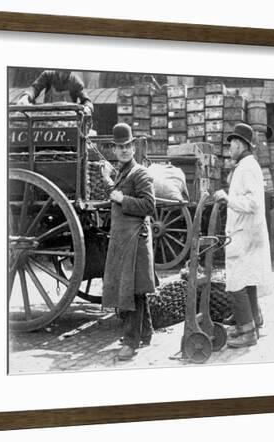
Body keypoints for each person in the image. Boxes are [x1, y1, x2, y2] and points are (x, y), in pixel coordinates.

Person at [101, 123, 156, 361]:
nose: (124, 150)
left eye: (127, 146)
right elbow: (115, 193)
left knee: (132, 291)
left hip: (135, 241)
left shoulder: (140, 173)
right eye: (119, 147)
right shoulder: (123, 172)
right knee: (137, 289)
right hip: (125, 241)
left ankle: (131, 342)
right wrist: (107, 180)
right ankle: (146, 333)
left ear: (134, 147)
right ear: (114, 150)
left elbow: (149, 205)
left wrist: (124, 198)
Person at [213, 123, 272, 348]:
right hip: (247, 233)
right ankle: (253, 321)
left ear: (240, 144)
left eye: (232, 144)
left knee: (237, 281)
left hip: (245, 235)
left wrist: (228, 199)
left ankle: (248, 333)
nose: (230, 148)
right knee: (249, 279)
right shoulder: (246, 166)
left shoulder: (247, 168)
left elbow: (254, 203)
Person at [16, 69, 94, 114]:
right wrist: (26, 96)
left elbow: (87, 101)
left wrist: (87, 108)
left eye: (66, 73)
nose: (62, 75)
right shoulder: (47, 75)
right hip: (47, 116)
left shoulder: (76, 81)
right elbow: (34, 88)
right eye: (60, 72)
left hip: (69, 120)